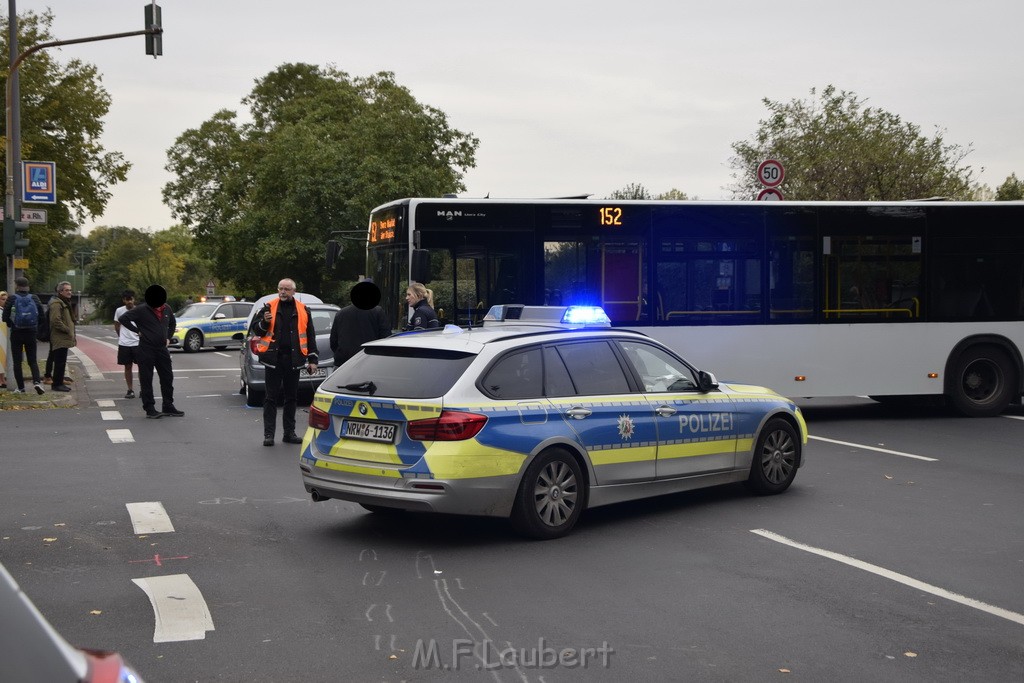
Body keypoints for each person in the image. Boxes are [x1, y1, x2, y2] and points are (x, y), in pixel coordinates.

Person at [250, 278, 319, 446]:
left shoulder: (303, 310)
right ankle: (269, 435)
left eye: (286, 289)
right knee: (270, 398)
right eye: (280, 288)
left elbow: (310, 336)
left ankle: (289, 433)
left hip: (294, 360)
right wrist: (264, 322)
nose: (283, 292)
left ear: (294, 291)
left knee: (291, 398)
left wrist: (313, 359)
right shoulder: (268, 307)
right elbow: (256, 330)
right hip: (273, 359)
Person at [118, 284, 183, 419]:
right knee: (147, 379)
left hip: (162, 349)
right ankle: (149, 408)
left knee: (167, 377)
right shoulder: (141, 309)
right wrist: (137, 331)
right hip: (146, 349)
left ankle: (168, 405)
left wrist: (168, 338)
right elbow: (123, 319)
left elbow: (172, 324)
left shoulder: (167, 309)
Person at [329, 280, 391, 367]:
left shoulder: (341, 313)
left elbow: (333, 341)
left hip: (343, 363)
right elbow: (386, 337)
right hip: (369, 360)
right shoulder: (378, 312)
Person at [1, 276, 45, 394]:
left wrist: (12, 324)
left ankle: (21, 388)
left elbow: (5, 317)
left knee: (17, 361)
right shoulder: (34, 298)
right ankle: (37, 382)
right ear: (27, 286)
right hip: (31, 332)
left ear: (17, 286)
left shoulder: (12, 298)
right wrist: (35, 326)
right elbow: (42, 316)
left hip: (16, 333)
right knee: (33, 360)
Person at [47, 281, 77, 393]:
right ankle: (57, 384)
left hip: (63, 338)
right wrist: (67, 329)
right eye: (67, 290)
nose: (70, 292)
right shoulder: (57, 304)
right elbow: (55, 320)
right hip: (59, 337)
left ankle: (59, 382)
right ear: (60, 291)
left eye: (70, 290)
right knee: (59, 362)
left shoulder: (64, 302)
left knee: (61, 361)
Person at [113, 289, 140, 399]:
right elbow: (117, 325)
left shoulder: (139, 310)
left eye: (131, 299)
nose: (130, 302)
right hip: (125, 343)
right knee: (127, 366)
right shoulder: (119, 311)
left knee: (142, 366)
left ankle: (143, 389)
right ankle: (130, 389)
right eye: (127, 300)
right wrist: (121, 336)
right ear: (124, 300)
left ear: (134, 299)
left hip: (138, 342)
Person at [0, 290, 9, 390]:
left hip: (4, 338)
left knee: (3, 359)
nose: (5, 301)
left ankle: (2, 379)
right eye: (3, 299)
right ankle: (1, 380)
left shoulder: (5, 310)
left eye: (6, 300)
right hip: (1, 337)